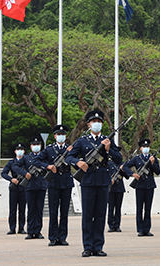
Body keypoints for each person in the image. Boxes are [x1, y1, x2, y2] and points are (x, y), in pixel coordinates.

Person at [66, 109, 122, 257]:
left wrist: (109, 149)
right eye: (93, 122)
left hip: (103, 181)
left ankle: (98, 246)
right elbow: (69, 157)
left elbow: (119, 160)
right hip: (88, 180)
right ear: (89, 124)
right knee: (87, 215)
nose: (96, 124)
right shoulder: (82, 141)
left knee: (100, 215)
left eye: (99, 122)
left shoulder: (108, 140)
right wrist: (78, 162)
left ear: (102, 124)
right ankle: (87, 246)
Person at [36, 124, 74, 246]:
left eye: (63, 135)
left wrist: (71, 154)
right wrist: (48, 166)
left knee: (64, 212)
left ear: (66, 136)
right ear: (54, 136)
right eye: (59, 135)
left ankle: (62, 237)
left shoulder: (70, 148)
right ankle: (53, 237)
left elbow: (76, 161)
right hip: (54, 182)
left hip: (66, 182)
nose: (61, 137)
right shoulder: (49, 149)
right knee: (53, 211)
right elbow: (36, 161)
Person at [123, 138, 160, 237]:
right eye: (144, 147)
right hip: (139, 185)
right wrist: (133, 174)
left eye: (147, 147)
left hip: (149, 185)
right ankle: (140, 229)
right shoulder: (137, 158)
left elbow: (157, 172)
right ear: (140, 148)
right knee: (139, 208)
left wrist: (152, 164)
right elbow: (125, 166)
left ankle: (147, 229)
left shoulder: (153, 158)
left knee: (148, 208)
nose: (146, 148)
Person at [13, 136, 47, 240]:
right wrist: (25, 173)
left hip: (41, 185)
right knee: (31, 209)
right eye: (34, 145)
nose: (36, 147)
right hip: (30, 186)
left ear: (40, 146)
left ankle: (38, 231)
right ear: (31, 146)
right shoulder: (26, 158)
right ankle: (30, 230)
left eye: (38, 145)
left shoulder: (44, 157)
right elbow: (15, 166)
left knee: (39, 210)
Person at [1, 143, 27, 235]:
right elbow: (3, 173)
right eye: (18, 149)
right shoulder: (11, 162)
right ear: (15, 151)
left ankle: (21, 228)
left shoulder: (26, 161)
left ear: (24, 151)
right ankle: (12, 228)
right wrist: (11, 179)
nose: (19, 151)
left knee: (22, 209)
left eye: (21, 149)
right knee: (13, 209)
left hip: (23, 187)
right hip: (14, 187)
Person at [107, 160, 125, 233]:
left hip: (119, 188)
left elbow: (127, 176)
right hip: (111, 189)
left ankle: (117, 225)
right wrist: (109, 180)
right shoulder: (108, 163)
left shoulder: (122, 163)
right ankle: (111, 225)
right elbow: (105, 173)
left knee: (118, 208)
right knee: (111, 208)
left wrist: (123, 170)